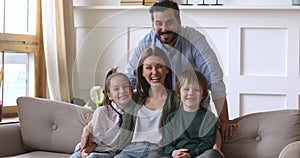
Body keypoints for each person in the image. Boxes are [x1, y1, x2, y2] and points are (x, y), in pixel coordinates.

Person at [125, 0, 237, 141]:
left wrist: (225, 121)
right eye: (158, 23)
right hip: (159, 113)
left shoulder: (195, 39)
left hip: (191, 111)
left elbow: (215, 80)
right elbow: (128, 81)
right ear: (152, 25)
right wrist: (103, 117)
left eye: (169, 22)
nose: (164, 28)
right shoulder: (145, 43)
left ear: (179, 21)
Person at [115, 46, 180, 158]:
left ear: (167, 69)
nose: (154, 72)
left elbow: (199, 116)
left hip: (159, 151)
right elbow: (110, 110)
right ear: (142, 72)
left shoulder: (177, 99)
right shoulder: (134, 98)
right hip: (131, 150)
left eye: (159, 66)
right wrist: (89, 127)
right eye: (149, 68)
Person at [149, 70, 224, 158]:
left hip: (198, 155)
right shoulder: (171, 117)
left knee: (213, 154)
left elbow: (208, 142)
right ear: (179, 93)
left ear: (203, 95)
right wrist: (173, 152)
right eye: (186, 89)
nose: (191, 93)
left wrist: (190, 155)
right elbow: (166, 142)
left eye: (196, 90)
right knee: (153, 154)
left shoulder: (208, 117)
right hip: (176, 155)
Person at [70, 68, 133, 158]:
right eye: (116, 89)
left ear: (131, 90)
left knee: (93, 157)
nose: (122, 91)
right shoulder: (102, 112)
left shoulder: (135, 113)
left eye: (125, 87)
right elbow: (93, 141)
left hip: (107, 153)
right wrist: (85, 152)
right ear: (109, 95)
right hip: (89, 148)